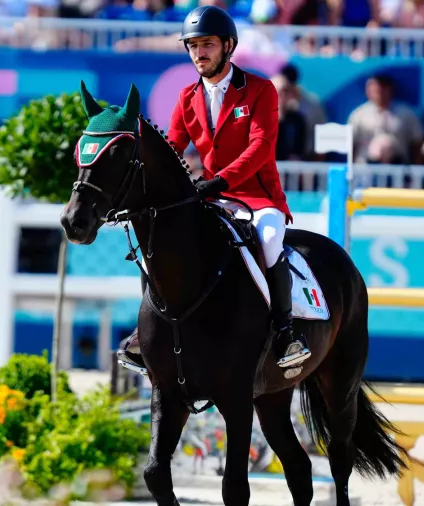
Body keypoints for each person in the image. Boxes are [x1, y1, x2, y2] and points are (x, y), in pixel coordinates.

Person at [115, 5, 309, 376]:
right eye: (193, 46)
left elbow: (261, 147)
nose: (199, 53)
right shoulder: (187, 97)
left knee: (269, 241)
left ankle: (286, 334)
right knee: (154, 247)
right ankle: (149, 331)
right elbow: (171, 148)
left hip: (256, 196)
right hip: (211, 197)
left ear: (228, 46)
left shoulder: (260, 90)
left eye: (207, 44)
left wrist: (219, 181)